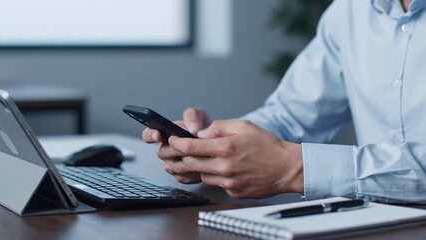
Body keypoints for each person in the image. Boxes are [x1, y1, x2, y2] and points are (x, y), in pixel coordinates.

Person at [143, 0, 426, 204]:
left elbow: (291, 158)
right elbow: (291, 116)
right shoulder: (349, 11)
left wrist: (297, 168)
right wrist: (214, 147)